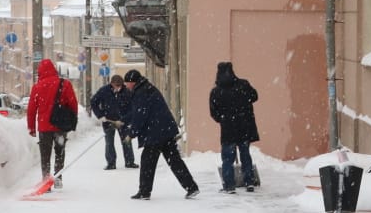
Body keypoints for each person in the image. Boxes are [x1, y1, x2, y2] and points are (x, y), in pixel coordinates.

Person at [121, 69, 199, 200]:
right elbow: (139, 112)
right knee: (174, 161)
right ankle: (191, 187)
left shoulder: (141, 92)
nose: (126, 86)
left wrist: (131, 133)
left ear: (132, 82)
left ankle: (144, 192)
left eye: (127, 83)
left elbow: (140, 115)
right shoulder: (147, 88)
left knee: (147, 162)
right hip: (165, 130)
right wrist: (124, 120)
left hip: (155, 133)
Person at [27, 58, 79, 189]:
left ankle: (46, 180)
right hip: (60, 126)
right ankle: (58, 178)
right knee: (59, 151)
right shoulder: (64, 84)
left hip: (44, 127)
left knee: (45, 154)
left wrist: (31, 127)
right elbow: (73, 103)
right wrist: (72, 120)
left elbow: (32, 109)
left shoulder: (37, 86)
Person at [208, 61, 260, 193]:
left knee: (227, 159)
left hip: (228, 129)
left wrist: (223, 119)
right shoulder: (243, 85)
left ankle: (229, 185)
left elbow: (214, 113)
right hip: (244, 126)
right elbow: (254, 96)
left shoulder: (216, 92)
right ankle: (249, 182)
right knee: (245, 155)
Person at [90, 73, 137, 170]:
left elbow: (133, 108)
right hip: (108, 121)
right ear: (111, 84)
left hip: (123, 122)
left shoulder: (127, 92)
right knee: (109, 142)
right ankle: (111, 163)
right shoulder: (104, 91)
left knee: (126, 141)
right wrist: (100, 115)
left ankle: (130, 162)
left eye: (120, 86)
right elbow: (93, 102)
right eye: (116, 86)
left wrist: (124, 119)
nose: (118, 88)